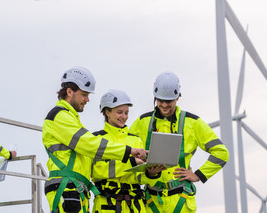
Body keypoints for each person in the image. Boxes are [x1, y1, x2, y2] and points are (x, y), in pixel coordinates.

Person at [42, 67, 147, 213]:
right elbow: (90, 144)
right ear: (69, 92)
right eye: (84, 95)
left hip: (75, 189)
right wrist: (129, 152)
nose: (87, 99)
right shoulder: (60, 117)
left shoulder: (70, 118)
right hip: (67, 188)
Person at [129, 71, 230, 213]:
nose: (164, 105)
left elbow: (221, 153)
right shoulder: (142, 122)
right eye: (160, 100)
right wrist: (143, 168)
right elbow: (125, 153)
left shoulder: (193, 123)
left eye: (168, 101)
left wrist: (198, 175)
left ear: (177, 97)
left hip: (181, 202)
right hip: (151, 202)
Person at [92, 89, 151, 213]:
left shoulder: (136, 140)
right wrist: (132, 162)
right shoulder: (96, 139)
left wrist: (152, 173)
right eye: (119, 112)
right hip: (107, 205)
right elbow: (97, 171)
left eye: (126, 112)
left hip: (135, 206)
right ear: (107, 112)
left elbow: (140, 177)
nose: (124, 117)